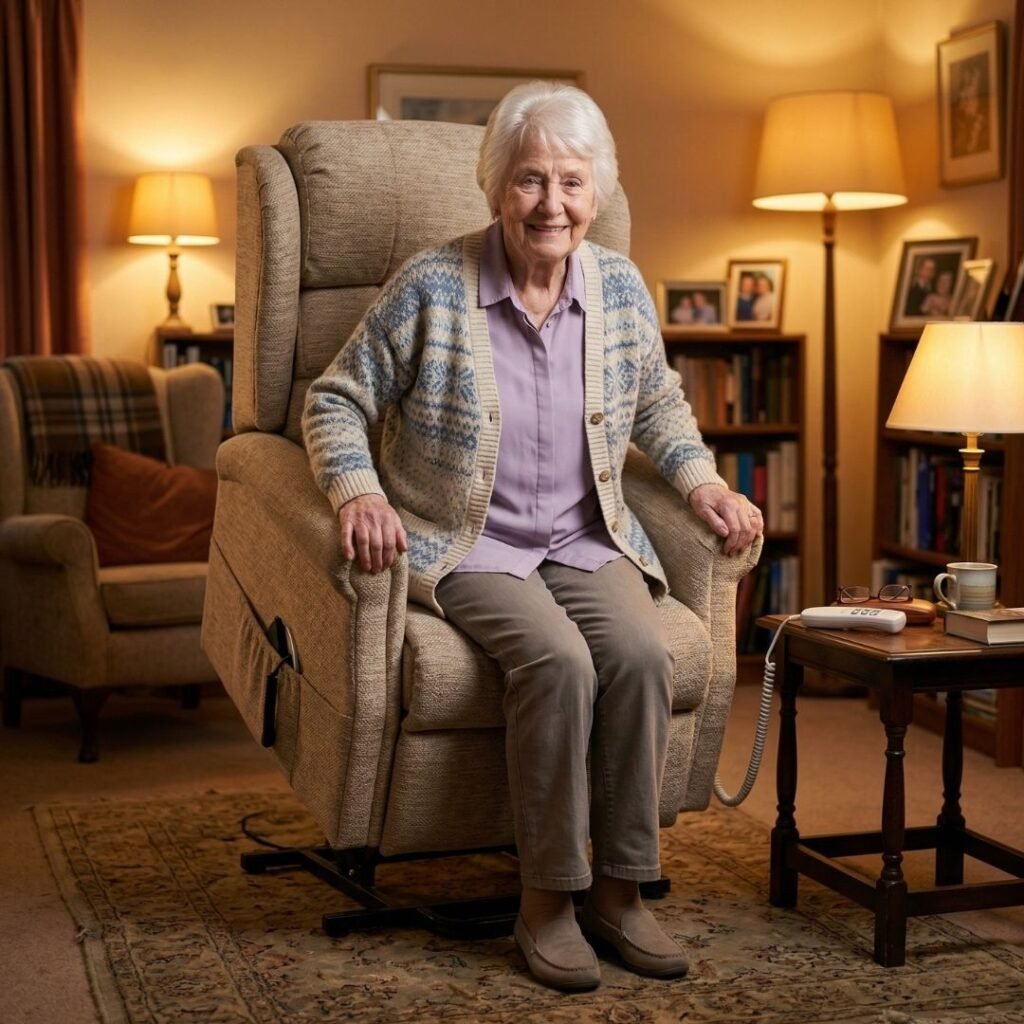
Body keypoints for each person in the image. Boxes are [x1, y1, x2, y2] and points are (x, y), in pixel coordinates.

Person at [302, 82, 762, 993]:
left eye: (571, 182)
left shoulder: (618, 289)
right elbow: (334, 400)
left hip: (587, 536)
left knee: (641, 656)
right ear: (496, 188)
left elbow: (660, 405)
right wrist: (358, 492)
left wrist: (703, 482)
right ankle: (548, 900)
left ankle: (621, 892)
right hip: (467, 541)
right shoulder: (434, 285)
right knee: (558, 662)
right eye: (529, 180)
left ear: (597, 192)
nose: (552, 203)